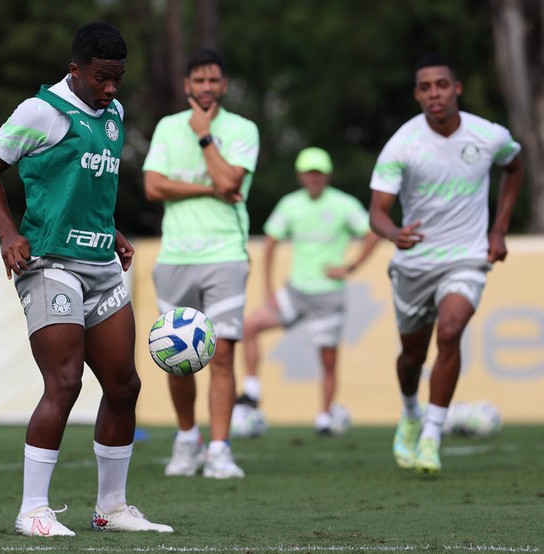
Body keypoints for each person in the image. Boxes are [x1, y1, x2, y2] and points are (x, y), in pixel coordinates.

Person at [0, 21, 172, 537]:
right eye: (102, 78)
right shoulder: (40, 111)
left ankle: (112, 508)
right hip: (49, 264)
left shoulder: (115, 114)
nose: (111, 89)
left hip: (101, 264)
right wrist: (7, 233)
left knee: (124, 385)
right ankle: (32, 510)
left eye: (118, 79)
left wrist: (114, 230)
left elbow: (84, 186)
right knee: (64, 381)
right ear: (75, 70)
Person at [369, 53, 523, 474]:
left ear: (456, 88)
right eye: (425, 87)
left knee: (451, 332)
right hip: (415, 263)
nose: (434, 93)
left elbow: (514, 166)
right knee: (411, 357)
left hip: (466, 257)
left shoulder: (488, 135)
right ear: (417, 95)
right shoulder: (403, 143)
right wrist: (392, 233)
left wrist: (498, 229)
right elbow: (377, 212)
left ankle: (432, 437)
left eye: (441, 84)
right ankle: (409, 413)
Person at [142, 48, 259, 479]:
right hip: (175, 256)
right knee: (176, 356)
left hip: (226, 254)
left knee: (223, 354)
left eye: (213, 80)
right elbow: (153, 187)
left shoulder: (243, 128)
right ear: (187, 85)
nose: (206, 87)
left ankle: (220, 450)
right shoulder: (167, 127)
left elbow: (232, 180)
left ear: (223, 85)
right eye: (199, 81)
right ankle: (187, 439)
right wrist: (210, 189)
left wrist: (205, 135)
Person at [239, 147, 380, 434]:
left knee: (328, 360)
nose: (314, 178)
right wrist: (267, 287)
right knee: (249, 326)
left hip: (329, 295)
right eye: (309, 172)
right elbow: (270, 241)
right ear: (301, 176)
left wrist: (350, 268)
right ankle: (252, 389)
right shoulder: (291, 204)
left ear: (326, 175)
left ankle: (325, 417)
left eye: (318, 172)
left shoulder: (343, 204)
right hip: (295, 292)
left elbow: (373, 234)